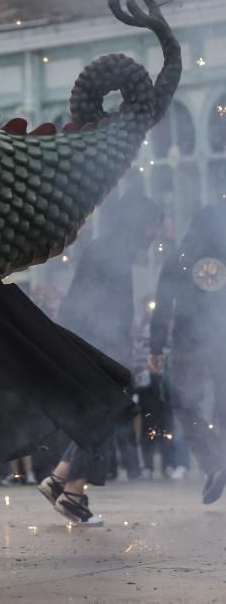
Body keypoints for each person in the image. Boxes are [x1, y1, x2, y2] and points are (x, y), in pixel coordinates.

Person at [39, 193, 163, 524]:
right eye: (153, 226)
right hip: (99, 345)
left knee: (100, 415)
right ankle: (73, 494)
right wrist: (123, 356)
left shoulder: (108, 247)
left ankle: (59, 479)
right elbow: (110, 312)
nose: (155, 233)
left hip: (86, 342)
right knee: (105, 416)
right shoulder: (116, 252)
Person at [149, 199, 226, 504]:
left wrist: (156, 346)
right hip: (222, 339)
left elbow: (163, 305)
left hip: (187, 342)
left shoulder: (178, 257)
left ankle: (213, 461)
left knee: (184, 402)